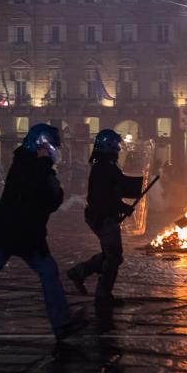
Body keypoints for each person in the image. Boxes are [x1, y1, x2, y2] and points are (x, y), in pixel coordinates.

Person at [0, 123, 84, 350]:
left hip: (19, 231)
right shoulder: (27, 164)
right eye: (51, 147)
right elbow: (40, 193)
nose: (54, 152)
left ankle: (61, 323)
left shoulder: (36, 165)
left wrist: (52, 182)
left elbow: (51, 201)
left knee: (34, 272)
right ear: (41, 145)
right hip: (15, 231)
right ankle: (61, 324)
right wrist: (48, 172)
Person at [66, 129, 133, 305]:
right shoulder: (103, 169)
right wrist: (121, 207)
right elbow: (101, 197)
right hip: (102, 217)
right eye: (116, 147)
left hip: (104, 216)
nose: (118, 151)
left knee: (110, 254)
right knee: (114, 256)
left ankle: (80, 272)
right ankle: (103, 295)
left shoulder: (107, 167)